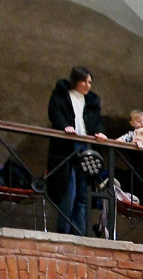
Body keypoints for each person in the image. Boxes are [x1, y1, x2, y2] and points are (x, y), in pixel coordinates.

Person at [46, 66, 108, 235]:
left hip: (85, 146)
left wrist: (100, 132)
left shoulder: (92, 101)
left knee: (83, 191)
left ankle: (79, 232)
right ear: (76, 81)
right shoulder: (61, 96)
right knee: (69, 189)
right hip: (66, 147)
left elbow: (97, 121)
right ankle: (65, 230)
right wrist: (64, 126)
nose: (88, 85)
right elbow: (55, 114)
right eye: (84, 81)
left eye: (90, 82)